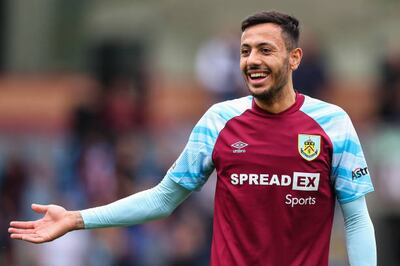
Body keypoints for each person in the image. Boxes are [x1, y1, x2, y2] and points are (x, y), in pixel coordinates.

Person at [9, 11, 376, 266]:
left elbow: (357, 220)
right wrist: (76, 218)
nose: (252, 60)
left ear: (295, 58)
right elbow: (164, 198)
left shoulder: (333, 124)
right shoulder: (219, 121)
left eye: (266, 50)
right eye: (245, 51)